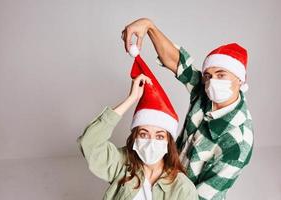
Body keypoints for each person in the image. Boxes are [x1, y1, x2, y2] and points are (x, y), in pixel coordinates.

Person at [121, 18, 254, 200]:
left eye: (221, 75)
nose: (212, 82)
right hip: (164, 179)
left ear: (240, 79)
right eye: (208, 75)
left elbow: (202, 196)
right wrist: (148, 25)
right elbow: (177, 62)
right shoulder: (205, 91)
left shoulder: (239, 142)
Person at [77, 51, 199, 200]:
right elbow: (89, 143)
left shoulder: (183, 188)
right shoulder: (122, 166)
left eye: (159, 136)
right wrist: (132, 98)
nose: (151, 141)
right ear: (134, 138)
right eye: (143, 134)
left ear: (168, 143)